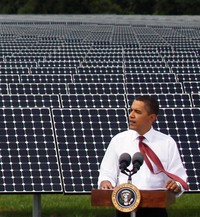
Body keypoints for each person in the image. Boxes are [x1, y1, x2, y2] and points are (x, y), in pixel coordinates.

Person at [98, 95, 188, 217]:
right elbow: (107, 172)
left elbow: (177, 176)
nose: (131, 115)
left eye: (137, 112)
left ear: (152, 118)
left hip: (155, 208)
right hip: (124, 205)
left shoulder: (166, 142)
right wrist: (106, 181)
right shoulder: (118, 140)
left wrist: (175, 185)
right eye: (131, 110)